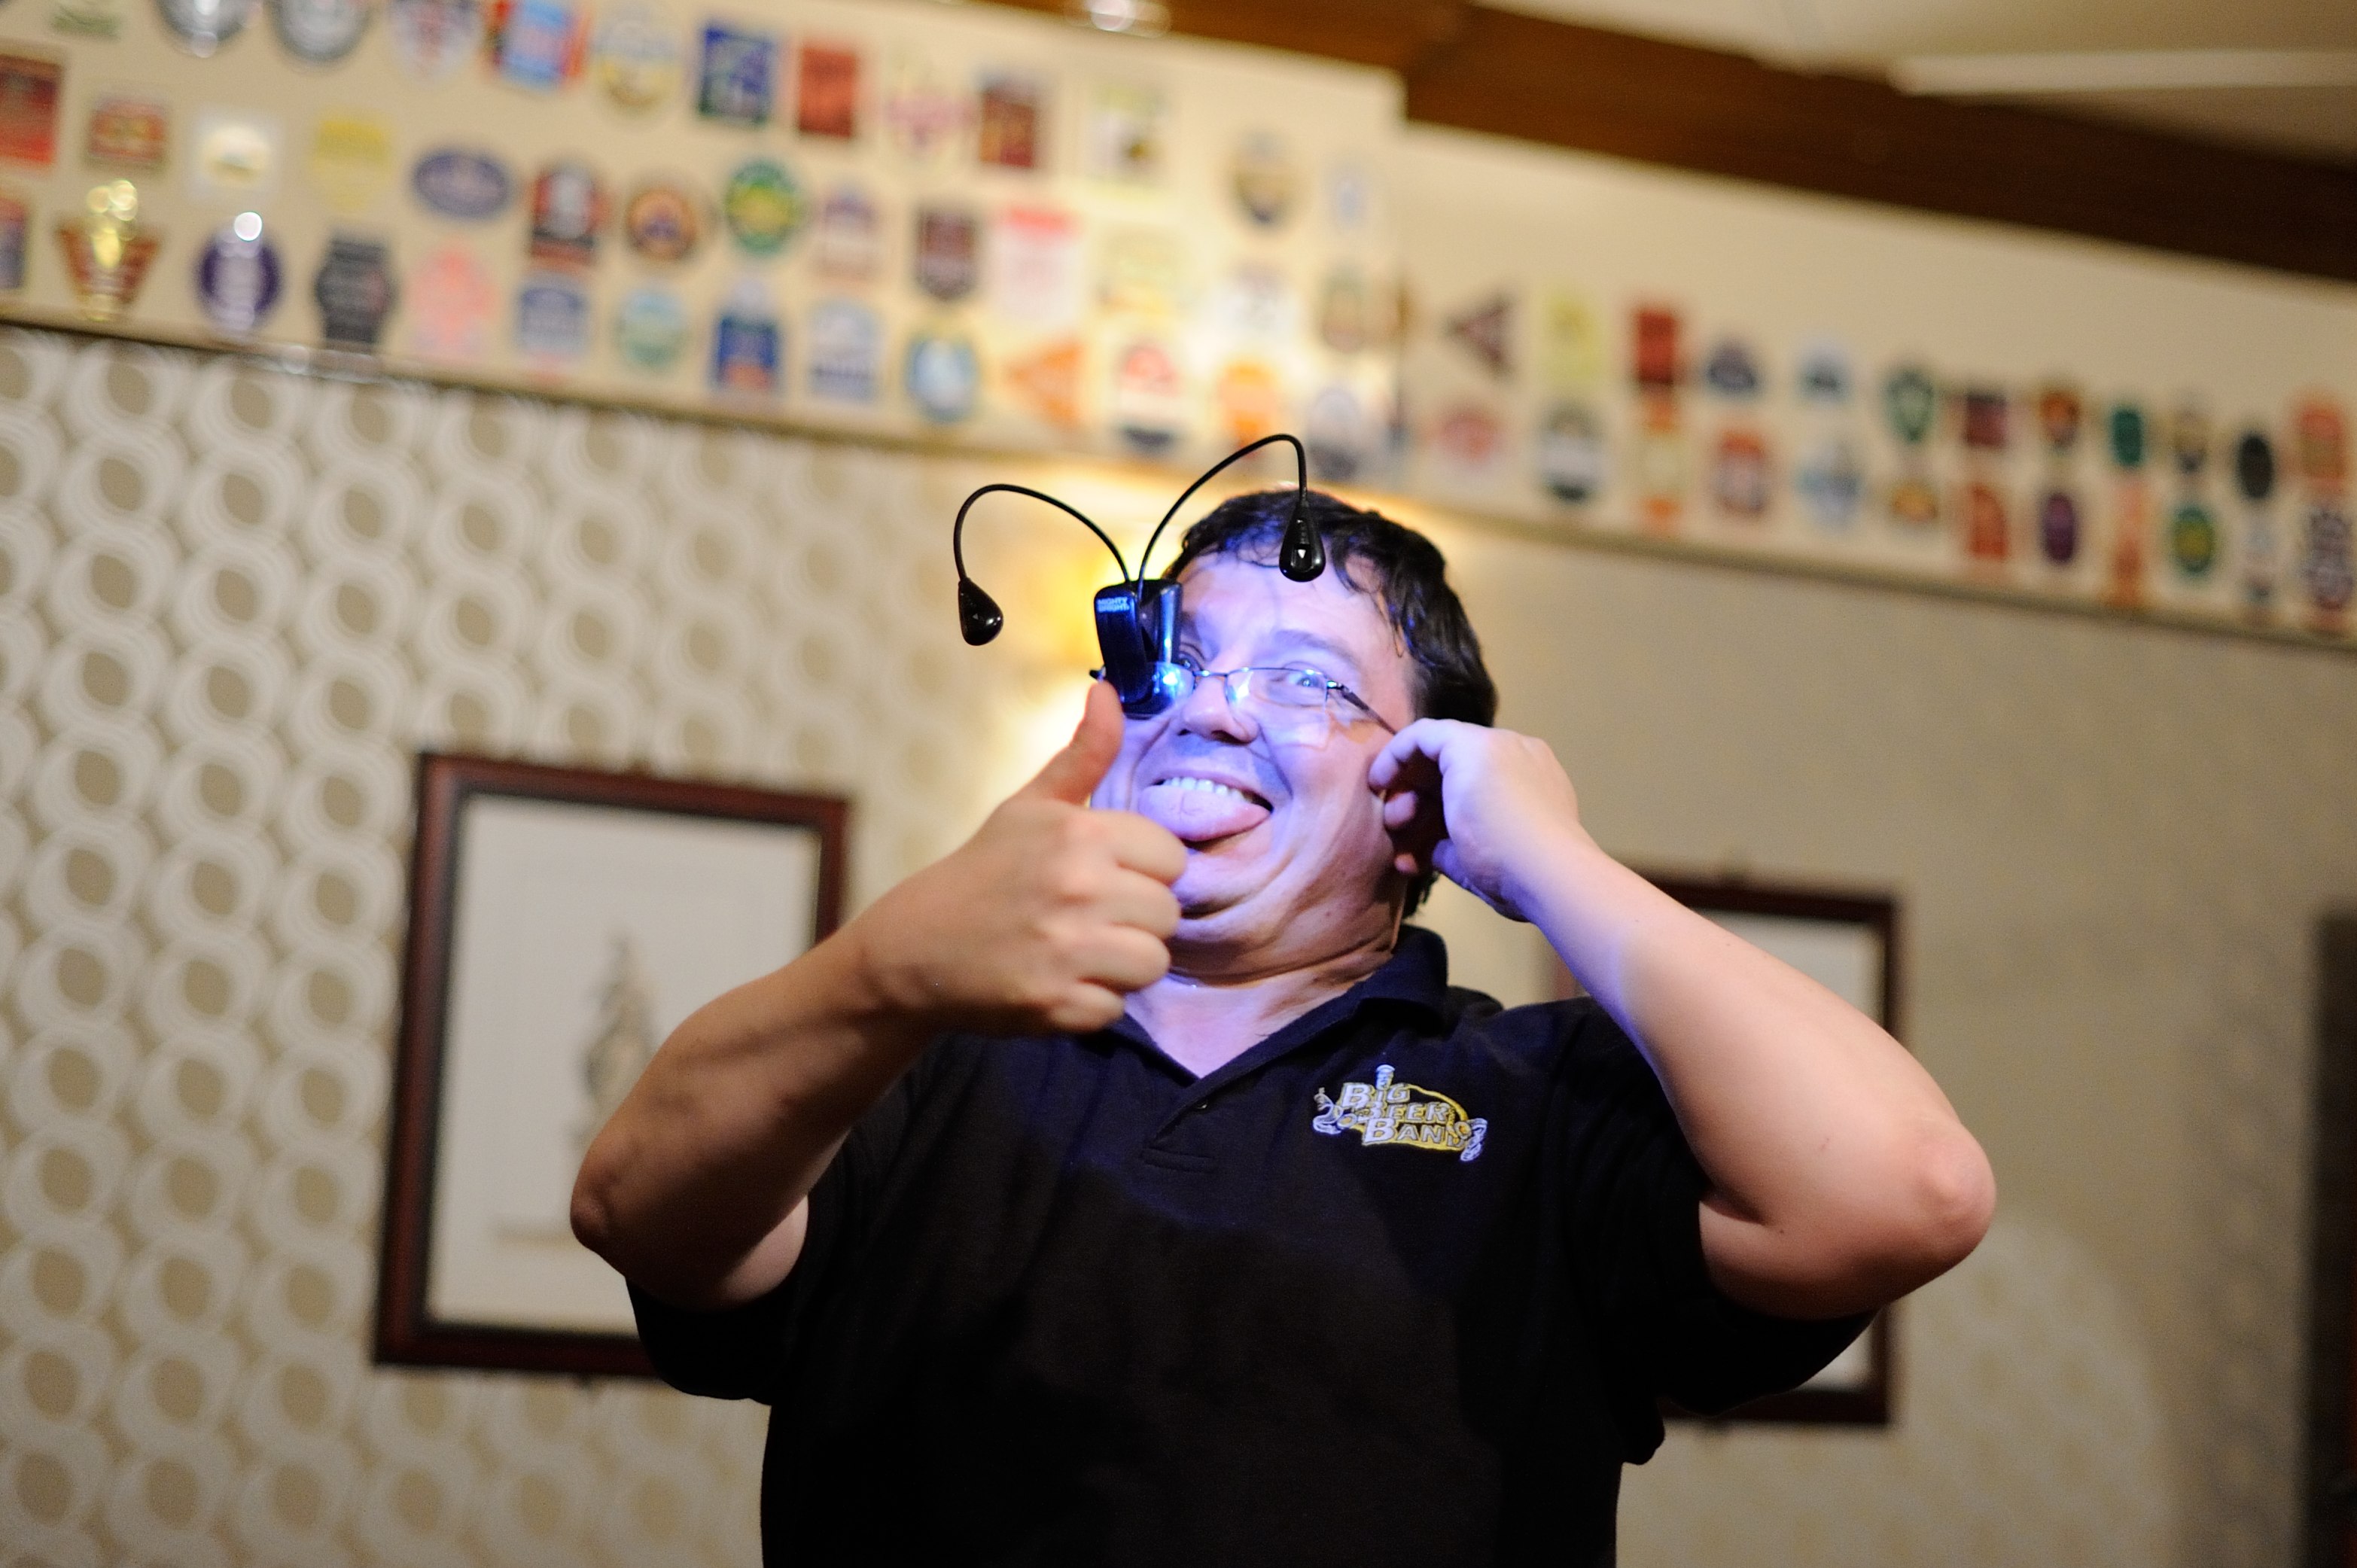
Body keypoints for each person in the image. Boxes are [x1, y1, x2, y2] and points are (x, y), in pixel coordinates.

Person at [572, 490, 1994, 1566]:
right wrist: (888, 970)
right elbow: (633, 1208)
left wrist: (1555, 861)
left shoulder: (1541, 1102)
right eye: (1178, 659)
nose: (1211, 712)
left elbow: (1909, 1191)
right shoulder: (909, 1057)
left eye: (1308, 681)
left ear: (1422, 795)